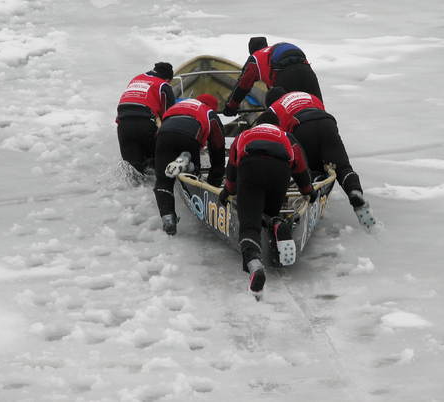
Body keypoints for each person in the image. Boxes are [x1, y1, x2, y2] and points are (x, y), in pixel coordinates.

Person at [218, 122, 317, 297]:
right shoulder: (287, 136)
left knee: (250, 222)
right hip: (280, 172)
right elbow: (300, 168)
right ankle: (277, 223)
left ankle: (253, 262)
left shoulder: (243, 135)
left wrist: (227, 192)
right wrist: (308, 191)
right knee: (269, 212)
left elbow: (232, 169)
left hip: (251, 167)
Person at [256, 88, 376, 231]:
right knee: (343, 167)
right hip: (326, 122)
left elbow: (272, 138)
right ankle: (354, 192)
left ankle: (311, 192)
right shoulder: (307, 95)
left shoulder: (274, 108)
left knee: (307, 170)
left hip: (301, 127)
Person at [154, 94, 226, 235]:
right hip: (189, 136)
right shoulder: (209, 113)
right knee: (192, 178)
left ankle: (168, 218)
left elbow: (160, 131)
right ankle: (188, 164)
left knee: (163, 180)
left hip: (164, 135)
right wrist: (213, 184)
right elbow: (218, 148)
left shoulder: (177, 106)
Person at [222, 36, 322, 116]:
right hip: (307, 72)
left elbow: (243, 86)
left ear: (251, 51)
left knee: (287, 114)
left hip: (285, 75)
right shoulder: (271, 52)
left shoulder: (255, 58)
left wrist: (231, 107)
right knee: (319, 109)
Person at [116, 62, 175, 179]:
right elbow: (169, 117)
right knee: (155, 166)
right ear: (168, 79)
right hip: (146, 124)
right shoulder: (164, 86)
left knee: (133, 170)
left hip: (123, 125)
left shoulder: (136, 79)